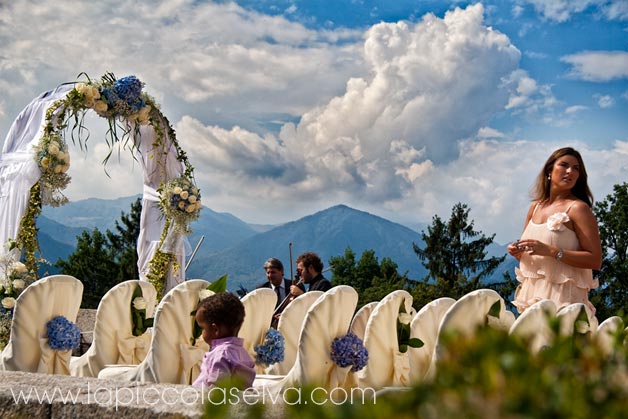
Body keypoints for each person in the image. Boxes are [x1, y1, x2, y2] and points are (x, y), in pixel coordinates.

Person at [507, 147, 602, 319]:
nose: (570, 171)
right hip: (532, 299)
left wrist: (552, 251)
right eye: (564, 165)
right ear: (549, 171)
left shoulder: (578, 209)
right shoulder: (535, 207)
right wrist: (518, 252)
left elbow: (595, 260)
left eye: (576, 168)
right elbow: (534, 258)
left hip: (564, 302)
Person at [192, 292, 255, 389]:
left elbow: (217, 391)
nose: (202, 333)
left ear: (215, 330)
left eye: (202, 328)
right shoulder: (242, 352)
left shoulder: (220, 355)